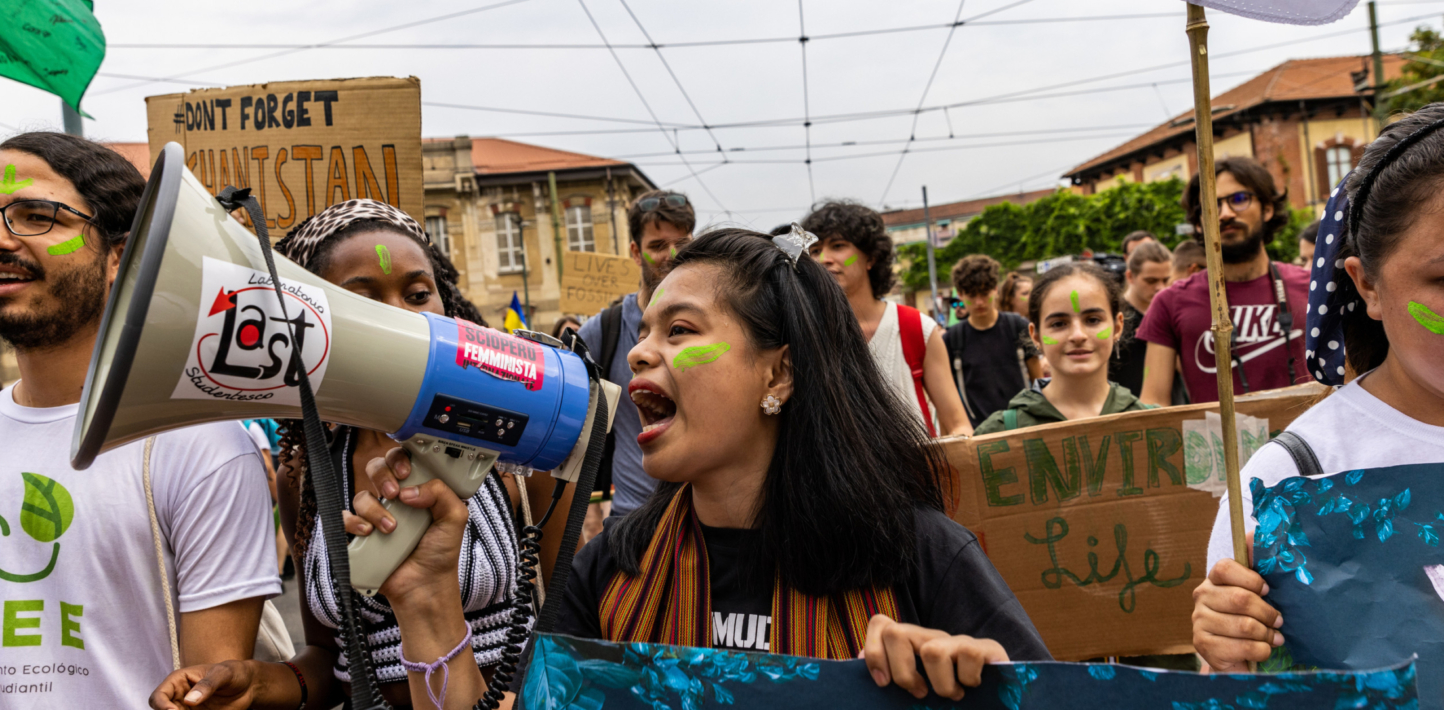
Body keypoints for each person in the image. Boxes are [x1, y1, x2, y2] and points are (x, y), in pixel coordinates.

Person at [525, 228, 1048, 699]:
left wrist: (980, 686)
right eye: (643, 333)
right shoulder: (611, 571)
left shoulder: (919, 555)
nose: (640, 353)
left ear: (779, 375)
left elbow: (1043, 693)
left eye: (679, 330)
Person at [150, 200, 532, 709]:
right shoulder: (306, 476)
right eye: (363, 302)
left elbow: (567, 636)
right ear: (314, 328)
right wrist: (256, 682)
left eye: (419, 294)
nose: (401, 317)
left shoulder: (515, 456)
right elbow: (329, 660)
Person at [0, 132, 280, 705]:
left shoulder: (201, 448)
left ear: (120, 257)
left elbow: (211, 689)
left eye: (34, 216)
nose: (2, 239)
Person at [1191, 103, 1444, 674]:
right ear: (1368, 285)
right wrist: (1226, 651)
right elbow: (1246, 684)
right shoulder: (1289, 482)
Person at [1138, 157, 1310, 405]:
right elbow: (1153, 406)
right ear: (1198, 223)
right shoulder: (1168, 303)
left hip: (1305, 443)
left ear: (1268, 208)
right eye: (1211, 205)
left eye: (1239, 199)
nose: (1226, 214)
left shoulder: (1317, 290)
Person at [802, 202, 971, 437]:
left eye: (838, 246)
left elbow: (958, 425)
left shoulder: (916, 327)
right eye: (815, 250)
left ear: (871, 257)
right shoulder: (802, 333)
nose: (825, 258)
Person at [577, 190, 695, 520]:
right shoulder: (605, 328)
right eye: (657, 246)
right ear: (635, 251)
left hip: (702, 517)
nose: (671, 255)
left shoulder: (714, 323)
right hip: (632, 520)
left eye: (681, 244)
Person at [974, 262, 1146, 434]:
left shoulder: (1153, 424)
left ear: (1117, 327)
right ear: (1036, 335)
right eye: (1059, 324)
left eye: (1093, 320)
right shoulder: (997, 435)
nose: (1078, 335)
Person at [943, 255, 1043, 429]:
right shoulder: (952, 339)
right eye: (972, 295)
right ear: (960, 294)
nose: (979, 302)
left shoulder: (1019, 326)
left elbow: (1038, 380)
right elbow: (946, 400)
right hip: (978, 432)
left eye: (984, 293)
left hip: (1024, 426)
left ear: (995, 289)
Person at [1109, 241, 1173, 398]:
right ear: (1130, 276)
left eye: (1166, 280)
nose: (1160, 287)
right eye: (1151, 281)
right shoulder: (1110, 316)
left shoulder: (1172, 313)